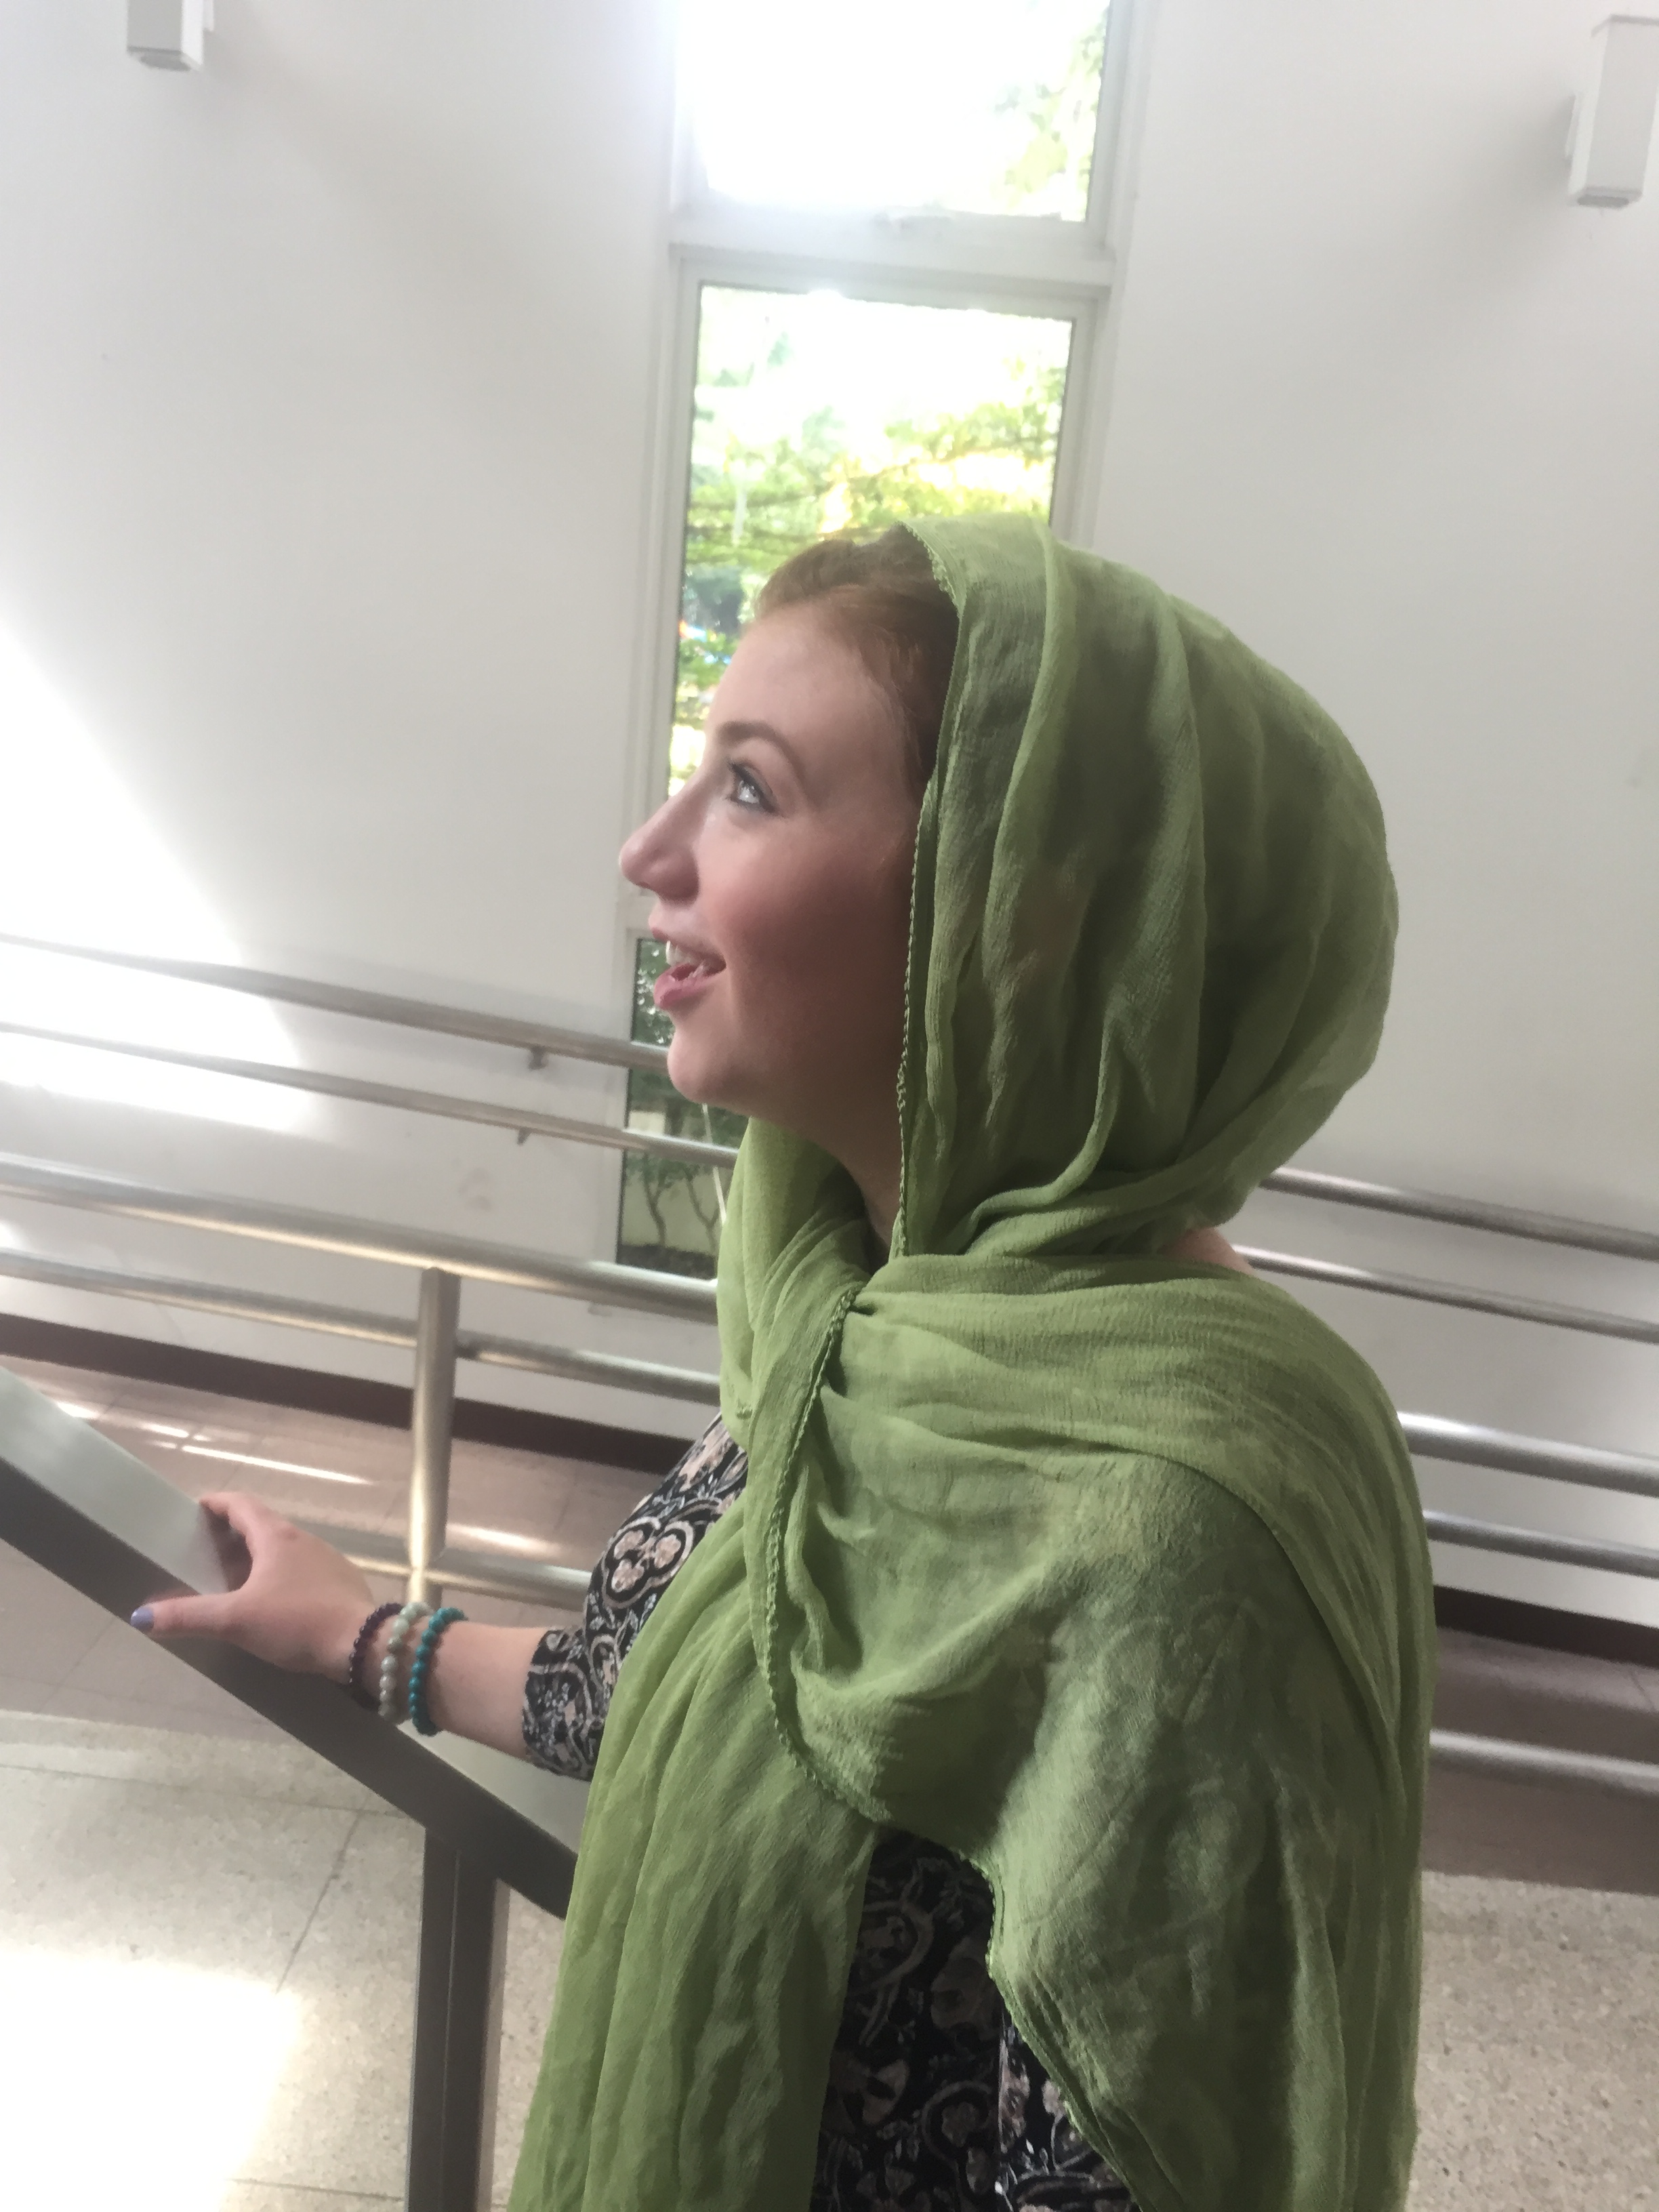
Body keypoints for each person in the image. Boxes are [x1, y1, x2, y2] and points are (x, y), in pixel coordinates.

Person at [136, 514, 1435, 2212]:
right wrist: (374, 1639)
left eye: (748, 788)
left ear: (1019, 921)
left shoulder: (1179, 1531)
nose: (649, 849)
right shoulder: (866, 1312)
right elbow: (738, 1680)